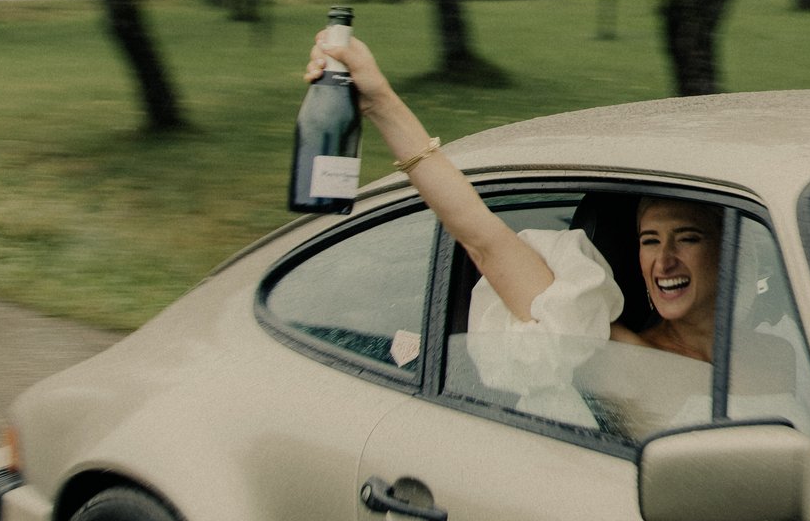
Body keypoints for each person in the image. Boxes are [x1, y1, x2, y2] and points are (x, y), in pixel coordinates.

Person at [304, 30, 721, 365]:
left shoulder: (764, 346)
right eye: (650, 240)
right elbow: (484, 240)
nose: (664, 260)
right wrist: (381, 103)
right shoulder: (622, 355)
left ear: (730, 248)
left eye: (687, 237)